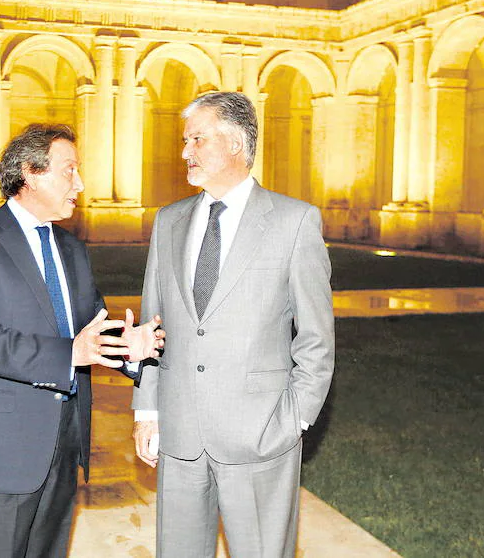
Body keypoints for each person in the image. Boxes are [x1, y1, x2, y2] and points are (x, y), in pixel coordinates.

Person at [0, 123, 165, 558]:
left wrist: (130, 346)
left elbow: (91, 324)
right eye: (70, 170)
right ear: (30, 172)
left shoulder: (70, 247)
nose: (79, 184)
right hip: (2, 443)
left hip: (65, 439)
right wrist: (70, 354)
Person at [131, 92, 335, 558]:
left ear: (236, 144)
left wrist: (295, 418)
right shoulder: (168, 221)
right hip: (179, 435)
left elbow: (316, 339)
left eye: (197, 139)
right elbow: (152, 323)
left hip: (261, 435)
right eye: (185, 141)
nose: (185, 152)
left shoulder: (294, 222)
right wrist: (147, 410)